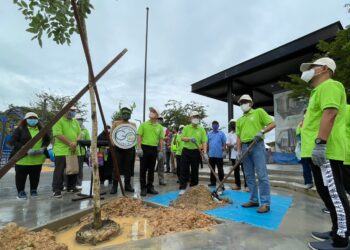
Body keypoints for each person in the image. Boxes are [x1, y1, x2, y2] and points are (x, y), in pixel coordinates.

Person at [298, 57, 350, 250]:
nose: (309, 70)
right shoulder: (317, 91)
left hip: (325, 151)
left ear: (324, 69)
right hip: (317, 152)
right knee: (325, 192)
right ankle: (337, 229)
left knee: (335, 194)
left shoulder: (330, 85)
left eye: (312, 67)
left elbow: (330, 113)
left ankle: (342, 240)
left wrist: (320, 143)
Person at [236, 94, 275, 213]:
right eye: (241, 102)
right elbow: (238, 136)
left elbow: (272, 123)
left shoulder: (258, 112)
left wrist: (262, 131)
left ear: (251, 103)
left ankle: (265, 203)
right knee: (248, 176)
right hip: (245, 147)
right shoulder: (240, 120)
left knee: (262, 175)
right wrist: (238, 151)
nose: (243, 104)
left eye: (245, 101)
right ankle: (253, 200)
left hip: (257, 144)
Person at [9, 112, 50, 199]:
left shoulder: (42, 129)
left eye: (34, 118)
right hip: (22, 159)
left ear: (37, 120)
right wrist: (25, 149)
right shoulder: (20, 129)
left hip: (37, 159)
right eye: (30, 118)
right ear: (25, 120)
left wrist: (43, 148)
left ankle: (33, 190)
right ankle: (21, 192)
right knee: (21, 177)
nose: (32, 120)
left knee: (35, 176)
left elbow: (47, 140)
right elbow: (13, 141)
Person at [52, 106, 81, 198]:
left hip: (73, 150)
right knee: (59, 171)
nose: (73, 112)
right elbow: (57, 134)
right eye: (71, 110)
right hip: (61, 150)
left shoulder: (75, 121)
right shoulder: (58, 120)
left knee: (73, 169)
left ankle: (71, 187)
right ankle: (57, 189)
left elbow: (79, 133)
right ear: (65, 110)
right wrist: (69, 143)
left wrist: (76, 142)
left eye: (74, 110)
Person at [137, 107, 164, 196]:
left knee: (151, 169)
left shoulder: (160, 127)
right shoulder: (143, 125)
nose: (151, 113)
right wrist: (139, 148)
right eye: (151, 111)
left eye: (153, 112)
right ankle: (143, 188)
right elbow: (139, 136)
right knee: (143, 169)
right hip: (144, 148)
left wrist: (161, 150)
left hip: (154, 149)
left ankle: (150, 187)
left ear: (157, 115)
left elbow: (161, 139)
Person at [179, 111, 208, 195]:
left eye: (197, 117)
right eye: (194, 117)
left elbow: (204, 142)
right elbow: (182, 138)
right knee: (184, 170)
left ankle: (194, 188)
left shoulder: (201, 129)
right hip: (186, 151)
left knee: (195, 170)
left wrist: (205, 153)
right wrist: (189, 138)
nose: (196, 118)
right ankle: (183, 188)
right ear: (190, 118)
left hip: (196, 151)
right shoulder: (186, 128)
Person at [110, 107, 136, 194]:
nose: (126, 115)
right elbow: (111, 135)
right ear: (121, 114)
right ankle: (114, 186)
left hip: (129, 149)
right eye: (124, 113)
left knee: (128, 167)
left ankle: (127, 185)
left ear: (130, 115)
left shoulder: (133, 125)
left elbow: (135, 136)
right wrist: (113, 144)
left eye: (128, 114)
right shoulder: (116, 123)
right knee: (116, 167)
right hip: (117, 149)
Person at [226, 118, 248, 191]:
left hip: (242, 154)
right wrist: (233, 145)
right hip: (233, 155)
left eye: (234, 123)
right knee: (236, 170)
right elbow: (228, 144)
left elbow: (244, 141)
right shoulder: (229, 134)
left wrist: (239, 145)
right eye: (231, 124)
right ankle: (237, 185)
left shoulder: (241, 132)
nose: (233, 125)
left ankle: (247, 185)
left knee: (245, 170)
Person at [296, 110, 314, 190]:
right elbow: (298, 136)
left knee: (318, 169)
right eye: (305, 114)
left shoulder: (316, 122)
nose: (306, 115)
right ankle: (308, 182)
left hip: (315, 150)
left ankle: (322, 184)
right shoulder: (300, 124)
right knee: (306, 169)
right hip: (304, 151)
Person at [207, 121, 226, 189]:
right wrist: (206, 153)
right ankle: (213, 182)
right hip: (211, 155)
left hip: (219, 155)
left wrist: (224, 151)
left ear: (218, 125)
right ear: (212, 126)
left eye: (216, 124)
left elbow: (224, 143)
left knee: (220, 169)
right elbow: (207, 144)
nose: (215, 126)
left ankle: (221, 182)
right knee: (212, 169)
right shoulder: (209, 134)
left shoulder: (221, 134)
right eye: (213, 124)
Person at [75, 114, 90, 189]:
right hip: (72, 151)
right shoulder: (73, 128)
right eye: (78, 119)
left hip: (81, 152)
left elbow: (88, 141)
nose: (80, 121)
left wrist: (88, 150)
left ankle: (78, 184)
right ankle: (67, 184)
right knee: (70, 168)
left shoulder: (85, 130)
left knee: (80, 169)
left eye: (81, 119)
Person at [155, 116, 167, 185]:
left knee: (161, 165)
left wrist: (162, 138)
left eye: (161, 120)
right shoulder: (153, 127)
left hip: (161, 148)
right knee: (151, 164)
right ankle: (149, 182)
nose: (159, 121)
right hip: (153, 146)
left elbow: (168, 137)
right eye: (158, 119)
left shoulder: (165, 129)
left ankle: (161, 180)